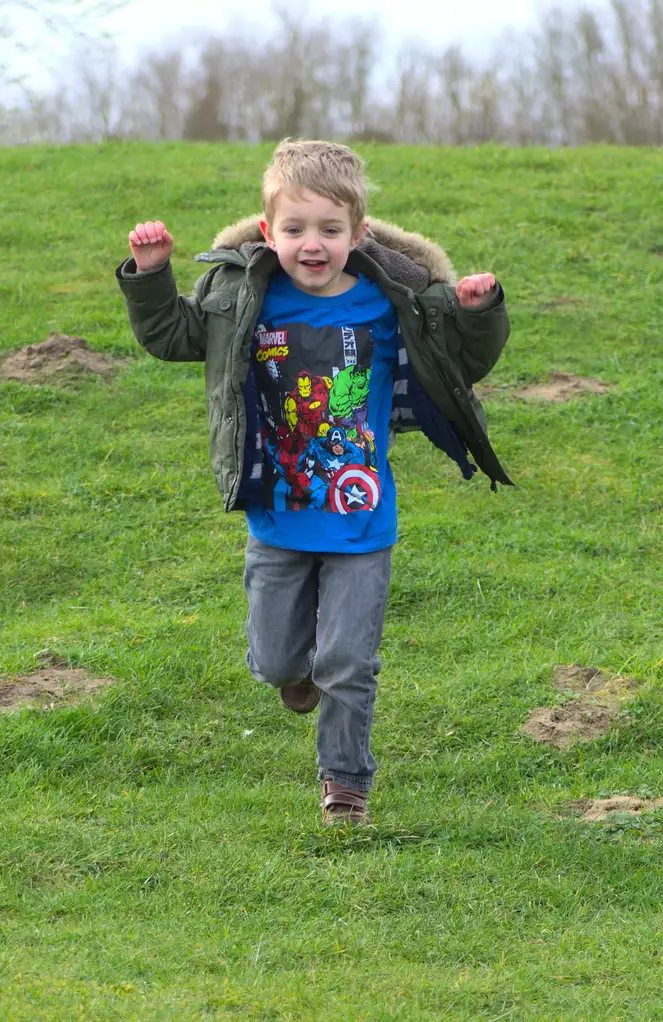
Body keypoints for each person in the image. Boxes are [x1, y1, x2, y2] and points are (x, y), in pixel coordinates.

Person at [116, 140, 511, 825]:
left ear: (358, 236)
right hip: (276, 518)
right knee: (275, 662)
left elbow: (461, 362)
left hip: (362, 521)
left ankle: (346, 785)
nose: (313, 245)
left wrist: (479, 312)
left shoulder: (393, 304)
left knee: (349, 664)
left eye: (330, 230)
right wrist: (151, 275)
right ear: (268, 233)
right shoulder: (243, 295)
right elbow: (174, 335)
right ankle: (291, 675)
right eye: (296, 230)